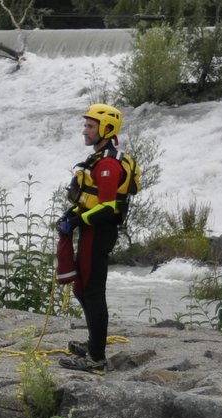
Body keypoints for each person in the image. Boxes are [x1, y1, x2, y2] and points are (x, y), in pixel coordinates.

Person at [57, 102, 138, 374]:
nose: (85, 130)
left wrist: (77, 221)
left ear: (106, 129)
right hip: (91, 232)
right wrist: (71, 214)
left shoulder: (107, 164)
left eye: (90, 126)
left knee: (91, 292)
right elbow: (90, 200)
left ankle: (95, 358)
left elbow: (106, 208)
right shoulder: (101, 158)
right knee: (82, 289)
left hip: (99, 233)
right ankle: (94, 344)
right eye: (86, 125)